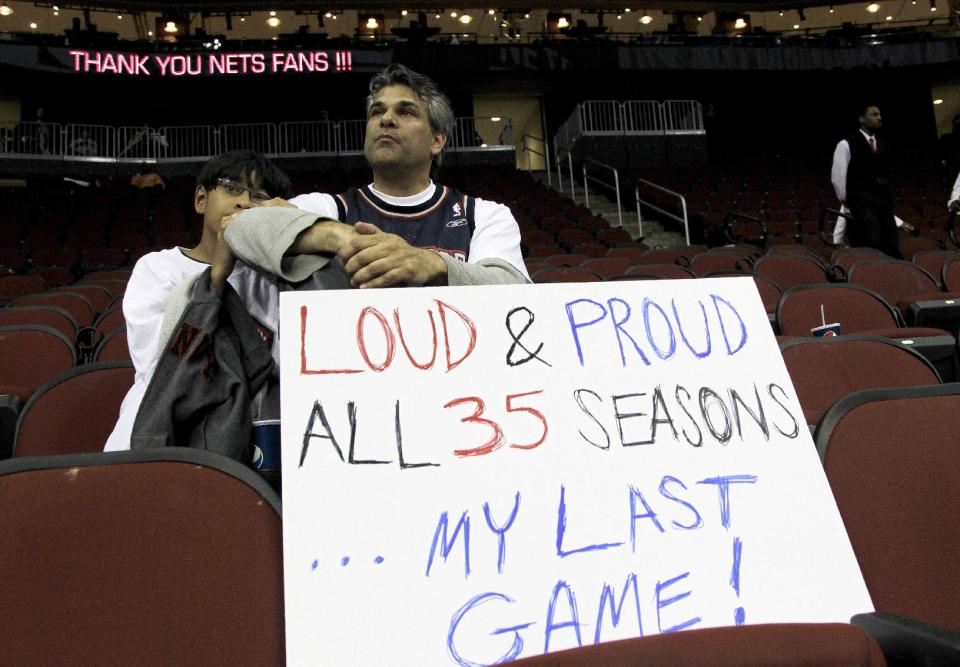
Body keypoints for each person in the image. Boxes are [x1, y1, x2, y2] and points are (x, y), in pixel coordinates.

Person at [223, 63, 530, 288]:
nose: (386, 119)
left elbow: (514, 288)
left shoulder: (485, 215)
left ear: (437, 140)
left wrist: (431, 264)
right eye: (377, 112)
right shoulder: (330, 209)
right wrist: (341, 236)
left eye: (406, 112)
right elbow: (240, 225)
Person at [104, 150, 292, 453]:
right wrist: (217, 277)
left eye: (259, 196)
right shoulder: (157, 267)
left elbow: (289, 369)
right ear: (201, 199)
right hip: (162, 429)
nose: (244, 201)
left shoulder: (276, 279)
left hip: (256, 433)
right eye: (232, 188)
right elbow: (161, 363)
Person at [830, 104, 902, 258]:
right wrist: (850, 201)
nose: (879, 118)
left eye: (880, 114)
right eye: (874, 114)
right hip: (861, 206)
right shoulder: (846, 144)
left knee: (891, 248)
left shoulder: (884, 144)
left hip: (884, 206)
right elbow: (838, 178)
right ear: (862, 118)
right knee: (869, 250)